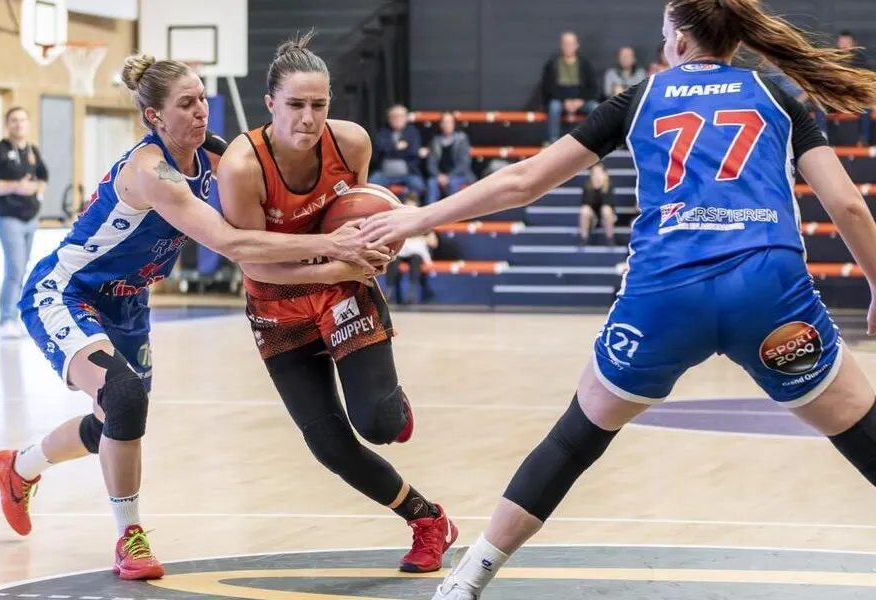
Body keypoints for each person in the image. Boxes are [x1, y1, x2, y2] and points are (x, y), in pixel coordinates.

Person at [361, 1, 876, 598]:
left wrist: (418, 217)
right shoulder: (777, 96)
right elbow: (848, 205)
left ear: (677, 41)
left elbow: (523, 182)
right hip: (768, 297)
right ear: (735, 41)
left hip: (665, 297)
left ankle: (468, 579)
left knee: (574, 439)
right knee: (861, 430)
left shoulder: (640, 97)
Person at [0, 53, 385, 581]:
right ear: (154, 116)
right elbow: (231, 242)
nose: (201, 111)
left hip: (128, 301)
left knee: (114, 420)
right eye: (186, 103)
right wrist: (332, 247)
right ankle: (129, 536)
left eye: (201, 99)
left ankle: (18, 467)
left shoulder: (214, 154)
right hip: (67, 292)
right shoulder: (151, 171)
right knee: (123, 398)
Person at [215, 31, 458, 573]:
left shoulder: (351, 143)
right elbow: (253, 261)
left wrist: (367, 252)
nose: (308, 118)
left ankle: (388, 401)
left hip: (342, 288)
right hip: (276, 300)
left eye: (319, 105)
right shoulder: (241, 166)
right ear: (270, 103)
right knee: (329, 446)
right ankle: (429, 520)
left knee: (379, 424)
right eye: (295, 105)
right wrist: (337, 260)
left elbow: (358, 214)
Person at [0, 107, 49, 339]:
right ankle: (6, 318)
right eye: (14, 120)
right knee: (15, 268)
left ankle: (18, 316)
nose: (18, 124)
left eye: (22, 120)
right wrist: (17, 187)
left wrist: (37, 191)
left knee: (23, 268)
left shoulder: (32, 150)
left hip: (31, 217)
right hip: (9, 217)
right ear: (6, 124)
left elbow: (44, 176)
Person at [578, 162, 614, 246]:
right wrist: (595, 190)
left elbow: (609, 204)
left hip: (605, 215)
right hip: (592, 216)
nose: (597, 176)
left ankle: (610, 238)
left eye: (599, 173)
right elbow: (586, 203)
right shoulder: (587, 185)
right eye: (594, 173)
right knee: (584, 210)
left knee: (606, 210)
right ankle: (583, 238)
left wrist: (601, 189)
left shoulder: (608, 186)